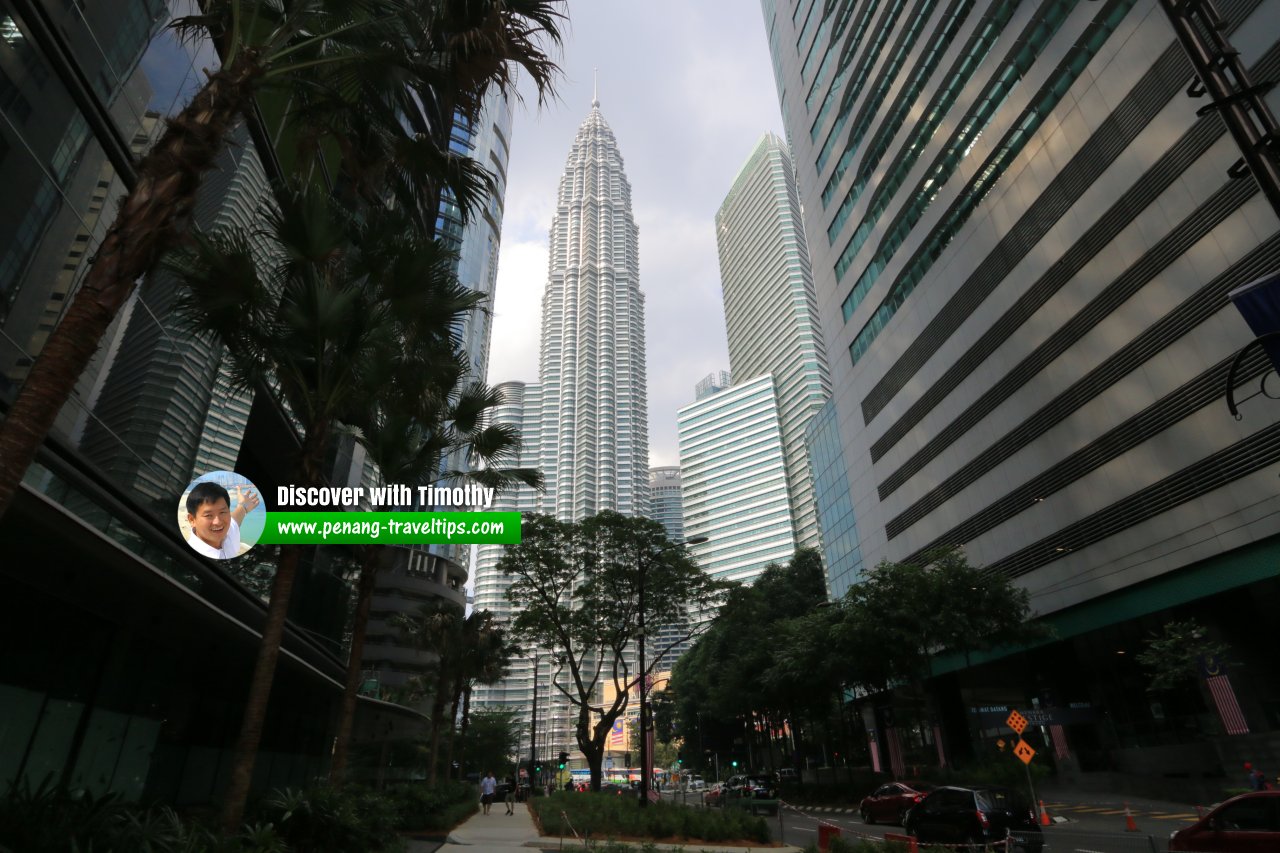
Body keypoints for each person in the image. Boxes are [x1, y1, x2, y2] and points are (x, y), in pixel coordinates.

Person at [185, 482, 259, 559]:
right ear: (192, 520)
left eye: (222, 512)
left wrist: (243, 506)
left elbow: (235, 519)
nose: (218, 522)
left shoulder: (228, 533)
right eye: (208, 515)